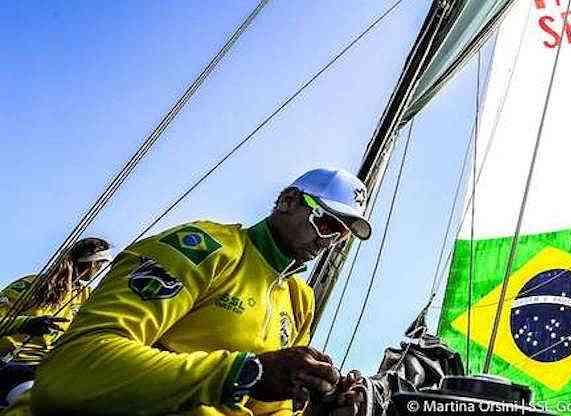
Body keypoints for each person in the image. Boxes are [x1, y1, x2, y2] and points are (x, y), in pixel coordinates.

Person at [2, 167, 373, 416]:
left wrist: (318, 408)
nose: (329, 242)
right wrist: (244, 372)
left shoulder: (300, 301)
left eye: (341, 236)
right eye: (327, 224)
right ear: (288, 201)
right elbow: (72, 368)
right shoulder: (205, 249)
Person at [0, 237, 112, 406]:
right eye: (101, 264)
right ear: (93, 264)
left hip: (48, 370)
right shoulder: (30, 284)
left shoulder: (86, 296)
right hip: (10, 364)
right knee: (35, 405)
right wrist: (25, 324)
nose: (100, 269)